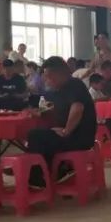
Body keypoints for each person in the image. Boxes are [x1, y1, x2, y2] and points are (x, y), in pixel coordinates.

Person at [25, 57, 97, 187]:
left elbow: (77, 109)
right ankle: (51, 171)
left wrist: (66, 130)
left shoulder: (74, 85)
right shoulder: (58, 90)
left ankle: (37, 177)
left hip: (80, 136)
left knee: (35, 136)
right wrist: (38, 112)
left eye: (49, 76)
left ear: (60, 74)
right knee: (40, 136)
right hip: (69, 133)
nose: (47, 80)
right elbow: (53, 109)